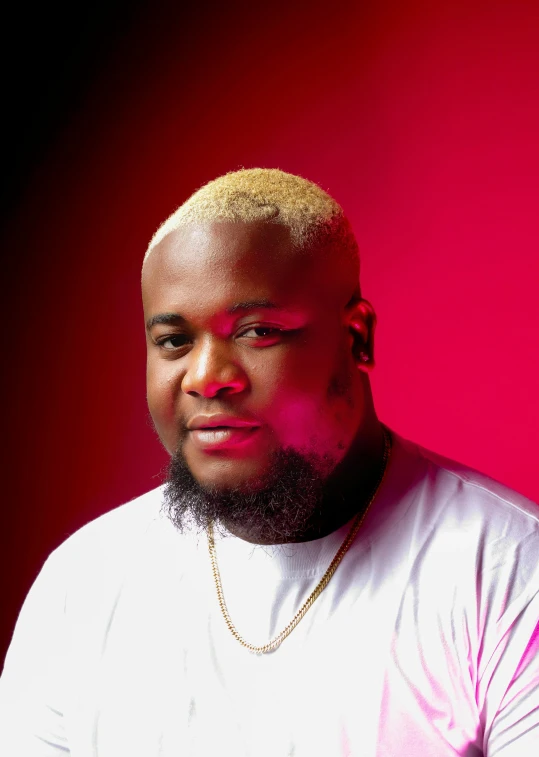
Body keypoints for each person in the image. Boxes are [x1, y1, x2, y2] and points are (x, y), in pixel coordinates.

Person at [1, 168, 538, 756]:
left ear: (357, 337)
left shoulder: (507, 570)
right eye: (175, 342)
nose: (206, 378)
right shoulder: (82, 584)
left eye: (257, 331)